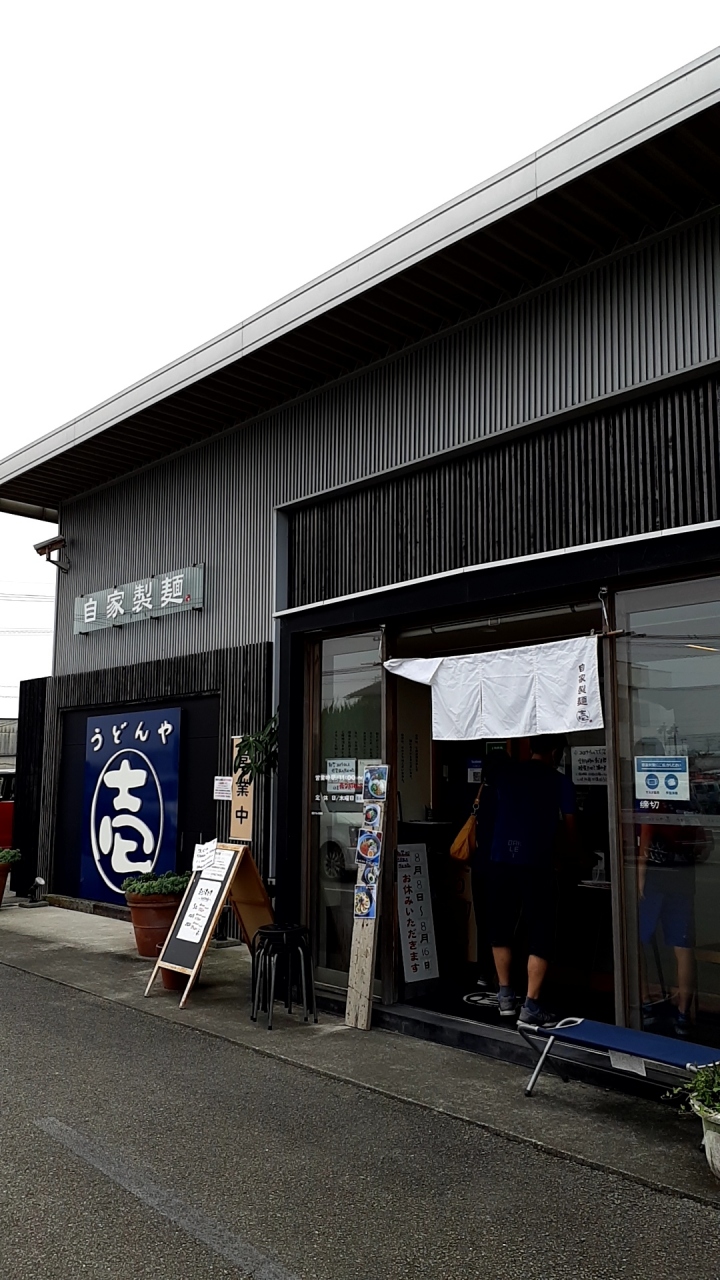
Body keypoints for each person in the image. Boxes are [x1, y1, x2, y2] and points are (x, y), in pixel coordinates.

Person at [485, 734, 576, 1026]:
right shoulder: (559, 782)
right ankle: (532, 1004)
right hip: (536, 862)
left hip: (500, 858)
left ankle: (505, 996)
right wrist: (573, 857)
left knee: (500, 927)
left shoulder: (507, 774)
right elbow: (571, 831)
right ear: (556, 751)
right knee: (541, 931)